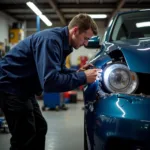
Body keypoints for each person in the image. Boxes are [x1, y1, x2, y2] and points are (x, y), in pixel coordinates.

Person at [0, 13, 100, 150]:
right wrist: (83, 78)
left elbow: (59, 70)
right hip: (10, 87)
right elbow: (50, 82)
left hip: (24, 88)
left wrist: (79, 72)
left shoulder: (62, 42)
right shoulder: (51, 41)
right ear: (75, 30)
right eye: (85, 38)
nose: (86, 43)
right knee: (24, 136)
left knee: (40, 128)